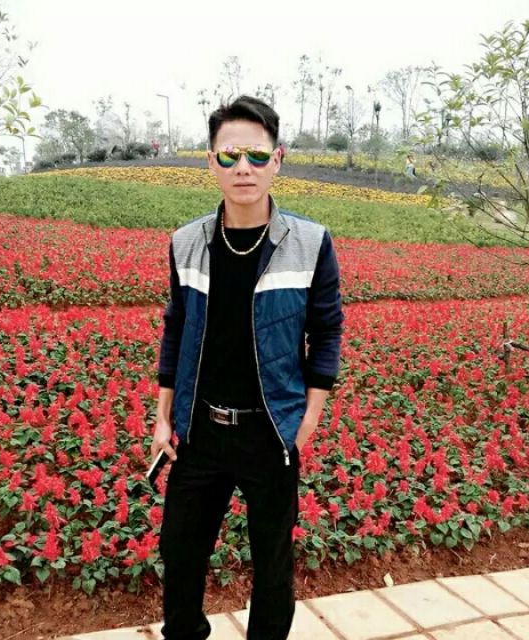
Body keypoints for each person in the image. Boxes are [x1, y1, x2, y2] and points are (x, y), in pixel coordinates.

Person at [152, 95, 344, 640]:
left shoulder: (310, 243)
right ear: (211, 161)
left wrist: (309, 418)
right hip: (200, 432)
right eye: (230, 155)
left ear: (277, 161)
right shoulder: (186, 242)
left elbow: (327, 331)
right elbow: (175, 328)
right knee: (180, 551)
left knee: (273, 563)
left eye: (257, 156)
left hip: (271, 432)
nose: (244, 168)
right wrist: (163, 417)